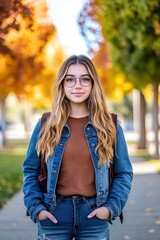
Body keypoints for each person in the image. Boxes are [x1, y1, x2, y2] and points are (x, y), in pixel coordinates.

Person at [23, 55, 133, 240]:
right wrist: (37, 209)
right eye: (70, 79)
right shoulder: (46, 124)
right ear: (62, 84)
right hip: (54, 215)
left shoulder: (110, 125)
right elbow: (30, 170)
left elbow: (124, 173)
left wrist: (110, 208)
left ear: (93, 84)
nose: (77, 85)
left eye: (85, 79)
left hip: (94, 216)